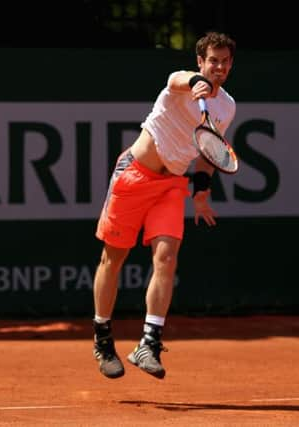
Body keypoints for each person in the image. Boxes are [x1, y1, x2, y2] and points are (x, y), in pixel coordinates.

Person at [91, 32, 237, 379]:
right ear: (200, 61)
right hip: (133, 175)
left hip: (171, 185)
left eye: (225, 61)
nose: (218, 67)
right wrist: (196, 82)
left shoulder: (227, 106)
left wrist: (201, 193)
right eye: (212, 61)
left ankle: (149, 343)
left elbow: (207, 153)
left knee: (167, 257)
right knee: (113, 259)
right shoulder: (179, 84)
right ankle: (102, 335)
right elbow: (178, 78)